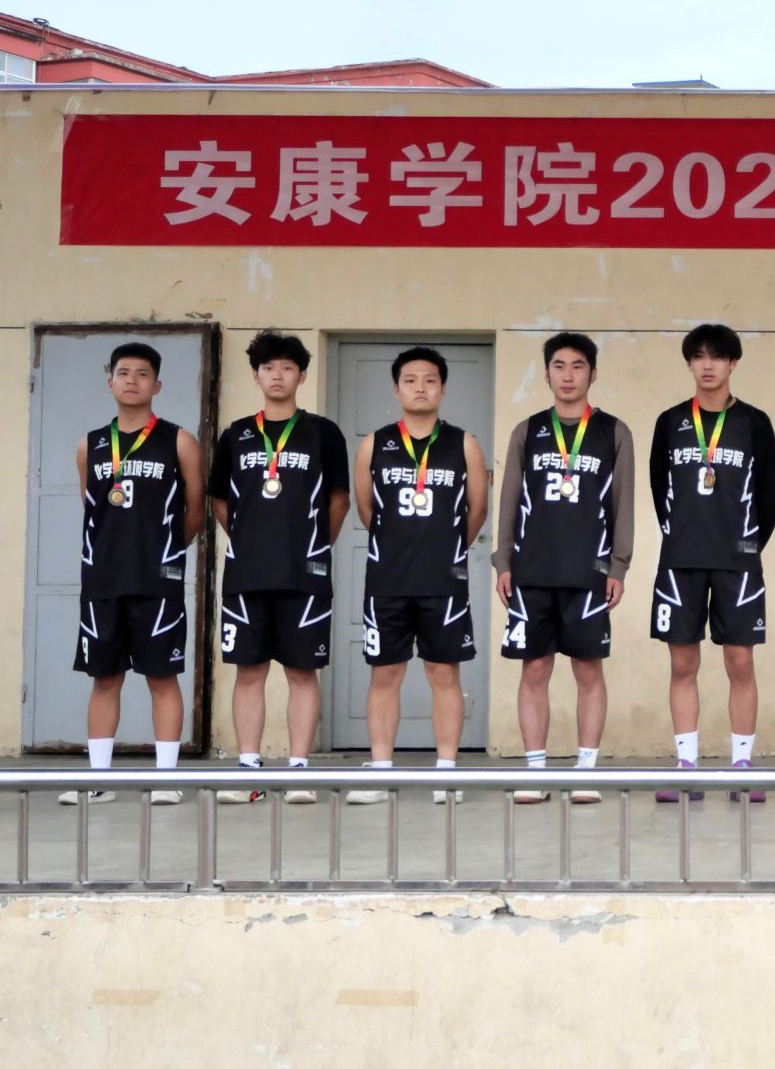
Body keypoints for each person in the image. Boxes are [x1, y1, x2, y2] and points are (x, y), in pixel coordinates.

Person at [207, 331, 351, 806]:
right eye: (268, 367)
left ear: (302, 376)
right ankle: (247, 771)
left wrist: (313, 546)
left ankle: (299, 771)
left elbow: (339, 500)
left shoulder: (323, 433)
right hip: (247, 574)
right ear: (255, 376)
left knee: (302, 673)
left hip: (304, 573)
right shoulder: (235, 435)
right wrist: (249, 541)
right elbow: (220, 501)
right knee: (248, 672)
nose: (277, 375)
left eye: (287, 367)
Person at [492, 332, 634, 806]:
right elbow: (509, 499)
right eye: (559, 365)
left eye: (577, 366)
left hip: (589, 571)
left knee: (588, 669)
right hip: (532, 569)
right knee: (534, 668)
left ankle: (586, 771)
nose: (568, 375)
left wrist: (618, 566)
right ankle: (535, 770)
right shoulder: (527, 431)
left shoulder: (614, 431)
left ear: (593, 373)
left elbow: (623, 505)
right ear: (547, 373)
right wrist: (503, 560)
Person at [345, 347, 489, 806]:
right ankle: (380, 771)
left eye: (430, 380)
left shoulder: (464, 443)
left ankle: (446, 772)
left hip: (444, 581)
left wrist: (444, 548)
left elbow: (477, 510)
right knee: (384, 674)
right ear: (396, 389)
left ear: (443, 389)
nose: (420, 388)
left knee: (444, 673)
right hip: (387, 579)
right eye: (410, 380)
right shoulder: (375, 443)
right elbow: (367, 510)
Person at [63, 342, 204, 808]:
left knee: (162, 677)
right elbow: (93, 508)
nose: (131, 381)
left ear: (156, 385)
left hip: (156, 579)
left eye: (142, 374)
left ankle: (166, 779)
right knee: (104, 678)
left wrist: (164, 552)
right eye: (123, 373)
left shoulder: (178, 441)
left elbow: (195, 510)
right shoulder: (90, 444)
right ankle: (98, 779)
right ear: (110, 383)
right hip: (102, 579)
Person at [649, 324, 775, 804]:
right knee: (682, 662)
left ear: (733, 363)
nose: (708, 365)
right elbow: (659, 487)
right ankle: (686, 765)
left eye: (717, 356)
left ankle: (741, 765)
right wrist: (683, 534)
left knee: (740, 661)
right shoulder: (670, 421)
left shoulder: (754, 422)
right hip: (681, 560)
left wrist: (746, 544)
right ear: (689, 363)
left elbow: (773, 493)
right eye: (699, 356)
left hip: (737, 562)